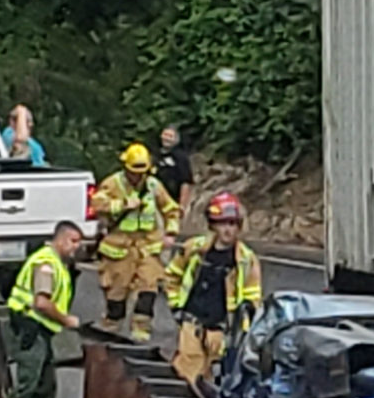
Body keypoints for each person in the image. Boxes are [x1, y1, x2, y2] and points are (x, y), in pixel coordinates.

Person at [166, 192, 262, 383]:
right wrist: (176, 306)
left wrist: (241, 331)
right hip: (192, 325)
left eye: (233, 224)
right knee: (186, 375)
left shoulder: (245, 259)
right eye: (223, 223)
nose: (229, 230)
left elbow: (253, 297)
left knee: (216, 382)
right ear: (212, 225)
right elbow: (172, 275)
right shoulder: (194, 249)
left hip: (221, 331)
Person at [6, 221, 83, 398]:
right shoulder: (46, 264)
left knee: (45, 384)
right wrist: (66, 320)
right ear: (59, 239)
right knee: (29, 384)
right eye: (73, 241)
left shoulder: (58, 264)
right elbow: (42, 303)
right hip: (31, 326)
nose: (76, 247)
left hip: (41, 329)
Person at [91, 143, 180, 341]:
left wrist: (171, 233)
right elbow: (96, 203)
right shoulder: (113, 183)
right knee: (116, 291)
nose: (138, 177)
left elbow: (171, 209)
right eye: (134, 172)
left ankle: (141, 331)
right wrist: (121, 205)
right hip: (119, 248)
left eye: (142, 172)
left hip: (147, 247)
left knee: (149, 288)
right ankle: (111, 324)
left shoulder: (153, 186)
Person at [155, 125, 194, 212]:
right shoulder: (155, 155)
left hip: (172, 201)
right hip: (154, 202)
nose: (167, 138)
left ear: (176, 140)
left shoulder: (181, 157)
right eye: (165, 135)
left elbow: (185, 182)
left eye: (170, 136)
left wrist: (182, 205)